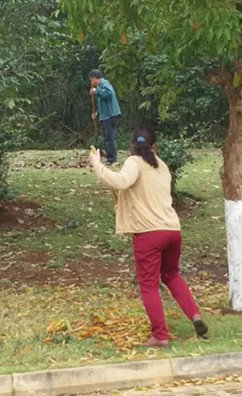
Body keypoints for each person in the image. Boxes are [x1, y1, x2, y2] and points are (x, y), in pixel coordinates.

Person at [88, 126, 208, 347]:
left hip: (148, 233)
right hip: (173, 230)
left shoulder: (134, 162)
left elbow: (120, 182)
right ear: (155, 146)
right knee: (171, 275)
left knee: (149, 285)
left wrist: (97, 164)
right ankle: (195, 316)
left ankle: (160, 335)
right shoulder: (162, 166)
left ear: (130, 145)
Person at [89, 69, 121, 165]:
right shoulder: (100, 86)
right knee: (106, 137)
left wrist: (96, 91)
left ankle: (112, 158)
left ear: (95, 78)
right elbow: (102, 103)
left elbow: (109, 93)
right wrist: (97, 113)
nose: (91, 82)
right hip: (104, 115)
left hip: (110, 114)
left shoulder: (104, 83)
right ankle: (109, 157)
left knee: (109, 137)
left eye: (91, 79)